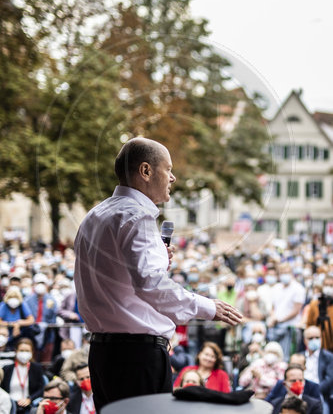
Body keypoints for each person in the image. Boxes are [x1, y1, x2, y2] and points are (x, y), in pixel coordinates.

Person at [74, 137, 243, 411]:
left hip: (103, 352)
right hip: (136, 356)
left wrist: (159, 262)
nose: (173, 178)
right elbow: (149, 285)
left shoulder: (94, 215)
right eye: (168, 169)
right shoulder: (137, 217)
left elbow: (115, 277)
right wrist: (207, 306)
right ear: (145, 171)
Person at [267, 263, 305, 360]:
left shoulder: (298, 288)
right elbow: (272, 307)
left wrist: (280, 320)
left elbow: (296, 311)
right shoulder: (276, 287)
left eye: (287, 272)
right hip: (276, 327)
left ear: (291, 273)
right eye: (282, 272)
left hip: (290, 327)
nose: (284, 275)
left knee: (287, 357)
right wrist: (273, 317)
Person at [1, 337, 45, 413]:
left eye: (27, 351)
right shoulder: (7, 369)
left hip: (29, 405)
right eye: (21, 350)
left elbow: (41, 389)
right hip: (9, 403)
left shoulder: (37, 368)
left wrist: (29, 399)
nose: (24, 353)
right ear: (16, 351)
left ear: (32, 352)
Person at [302, 326, 333, 414]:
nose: (314, 340)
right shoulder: (299, 356)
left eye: (317, 337)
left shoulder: (328, 357)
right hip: (301, 394)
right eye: (310, 338)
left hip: (320, 395)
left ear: (321, 339)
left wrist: (315, 390)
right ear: (304, 340)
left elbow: (329, 379)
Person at [306, 275, 333, 352]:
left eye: (331, 285)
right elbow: (309, 325)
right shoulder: (314, 304)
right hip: (318, 346)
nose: (328, 288)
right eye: (326, 285)